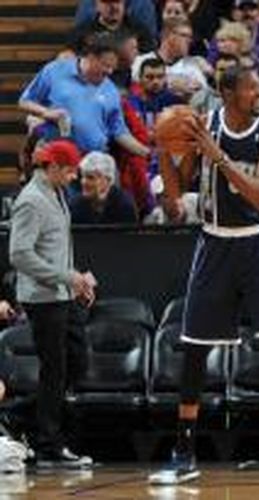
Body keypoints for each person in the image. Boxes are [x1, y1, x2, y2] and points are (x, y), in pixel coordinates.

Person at [148, 65, 259, 485]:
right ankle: (183, 453)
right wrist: (166, 149)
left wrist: (216, 156)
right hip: (213, 241)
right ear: (226, 92)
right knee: (195, 349)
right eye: (250, 87)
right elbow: (176, 197)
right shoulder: (204, 126)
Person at [9, 140, 97, 469]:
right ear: (54, 167)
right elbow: (19, 254)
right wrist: (66, 277)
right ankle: (49, 444)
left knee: (74, 364)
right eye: (71, 170)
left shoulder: (56, 194)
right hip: (43, 298)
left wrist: (77, 279)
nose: (74, 177)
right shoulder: (31, 201)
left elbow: (55, 248)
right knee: (55, 370)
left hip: (62, 294)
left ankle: (19, 416)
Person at [19, 32, 149, 157]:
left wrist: (146, 152)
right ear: (90, 57)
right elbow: (24, 102)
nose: (109, 72)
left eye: (112, 68)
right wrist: (45, 112)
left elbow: (119, 132)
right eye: (106, 65)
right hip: (57, 159)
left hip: (94, 161)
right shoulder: (55, 70)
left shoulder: (111, 89)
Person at [131, 18, 209, 101]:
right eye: (184, 36)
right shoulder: (141, 61)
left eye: (190, 37)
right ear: (167, 35)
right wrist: (168, 84)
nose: (189, 41)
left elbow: (205, 94)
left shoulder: (192, 67)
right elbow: (135, 87)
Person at [69, 151, 138, 225]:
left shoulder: (124, 206)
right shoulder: (75, 205)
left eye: (90, 178)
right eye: (82, 177)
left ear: (107, 180)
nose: (83, 182)